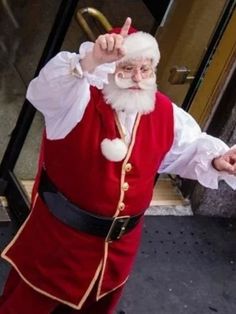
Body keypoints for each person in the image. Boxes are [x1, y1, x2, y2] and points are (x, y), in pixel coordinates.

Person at [0, 17, 236, 314]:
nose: (138, 78)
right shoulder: (77, 100)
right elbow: (43, 91)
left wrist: (217, 159)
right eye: (127, 68)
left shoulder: (164, 112)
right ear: (110, 70)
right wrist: (92, 59)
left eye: (145, 69)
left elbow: (187, 150)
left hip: (119, 249)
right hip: (60, 243)